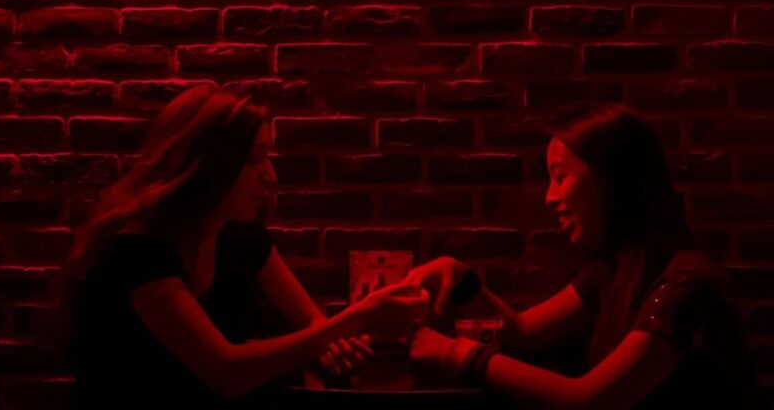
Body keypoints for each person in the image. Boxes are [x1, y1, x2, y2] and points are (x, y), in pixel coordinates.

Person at [66, 85, 428, 408]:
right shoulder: (137, 250)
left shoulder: (239, 235)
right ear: (210, 163)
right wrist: (361, 316)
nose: (270, 176)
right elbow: (227, 372)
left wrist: (332, 340)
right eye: (255, 158)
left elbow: (311, 322)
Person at [405, 102, 761, 409]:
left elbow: (588, 400)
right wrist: (460, 278)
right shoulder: (611, 271)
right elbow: (524, 334)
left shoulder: (687, 283)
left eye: (560, 177)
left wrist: (452, 353)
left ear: (613, 179)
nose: (549, 197)